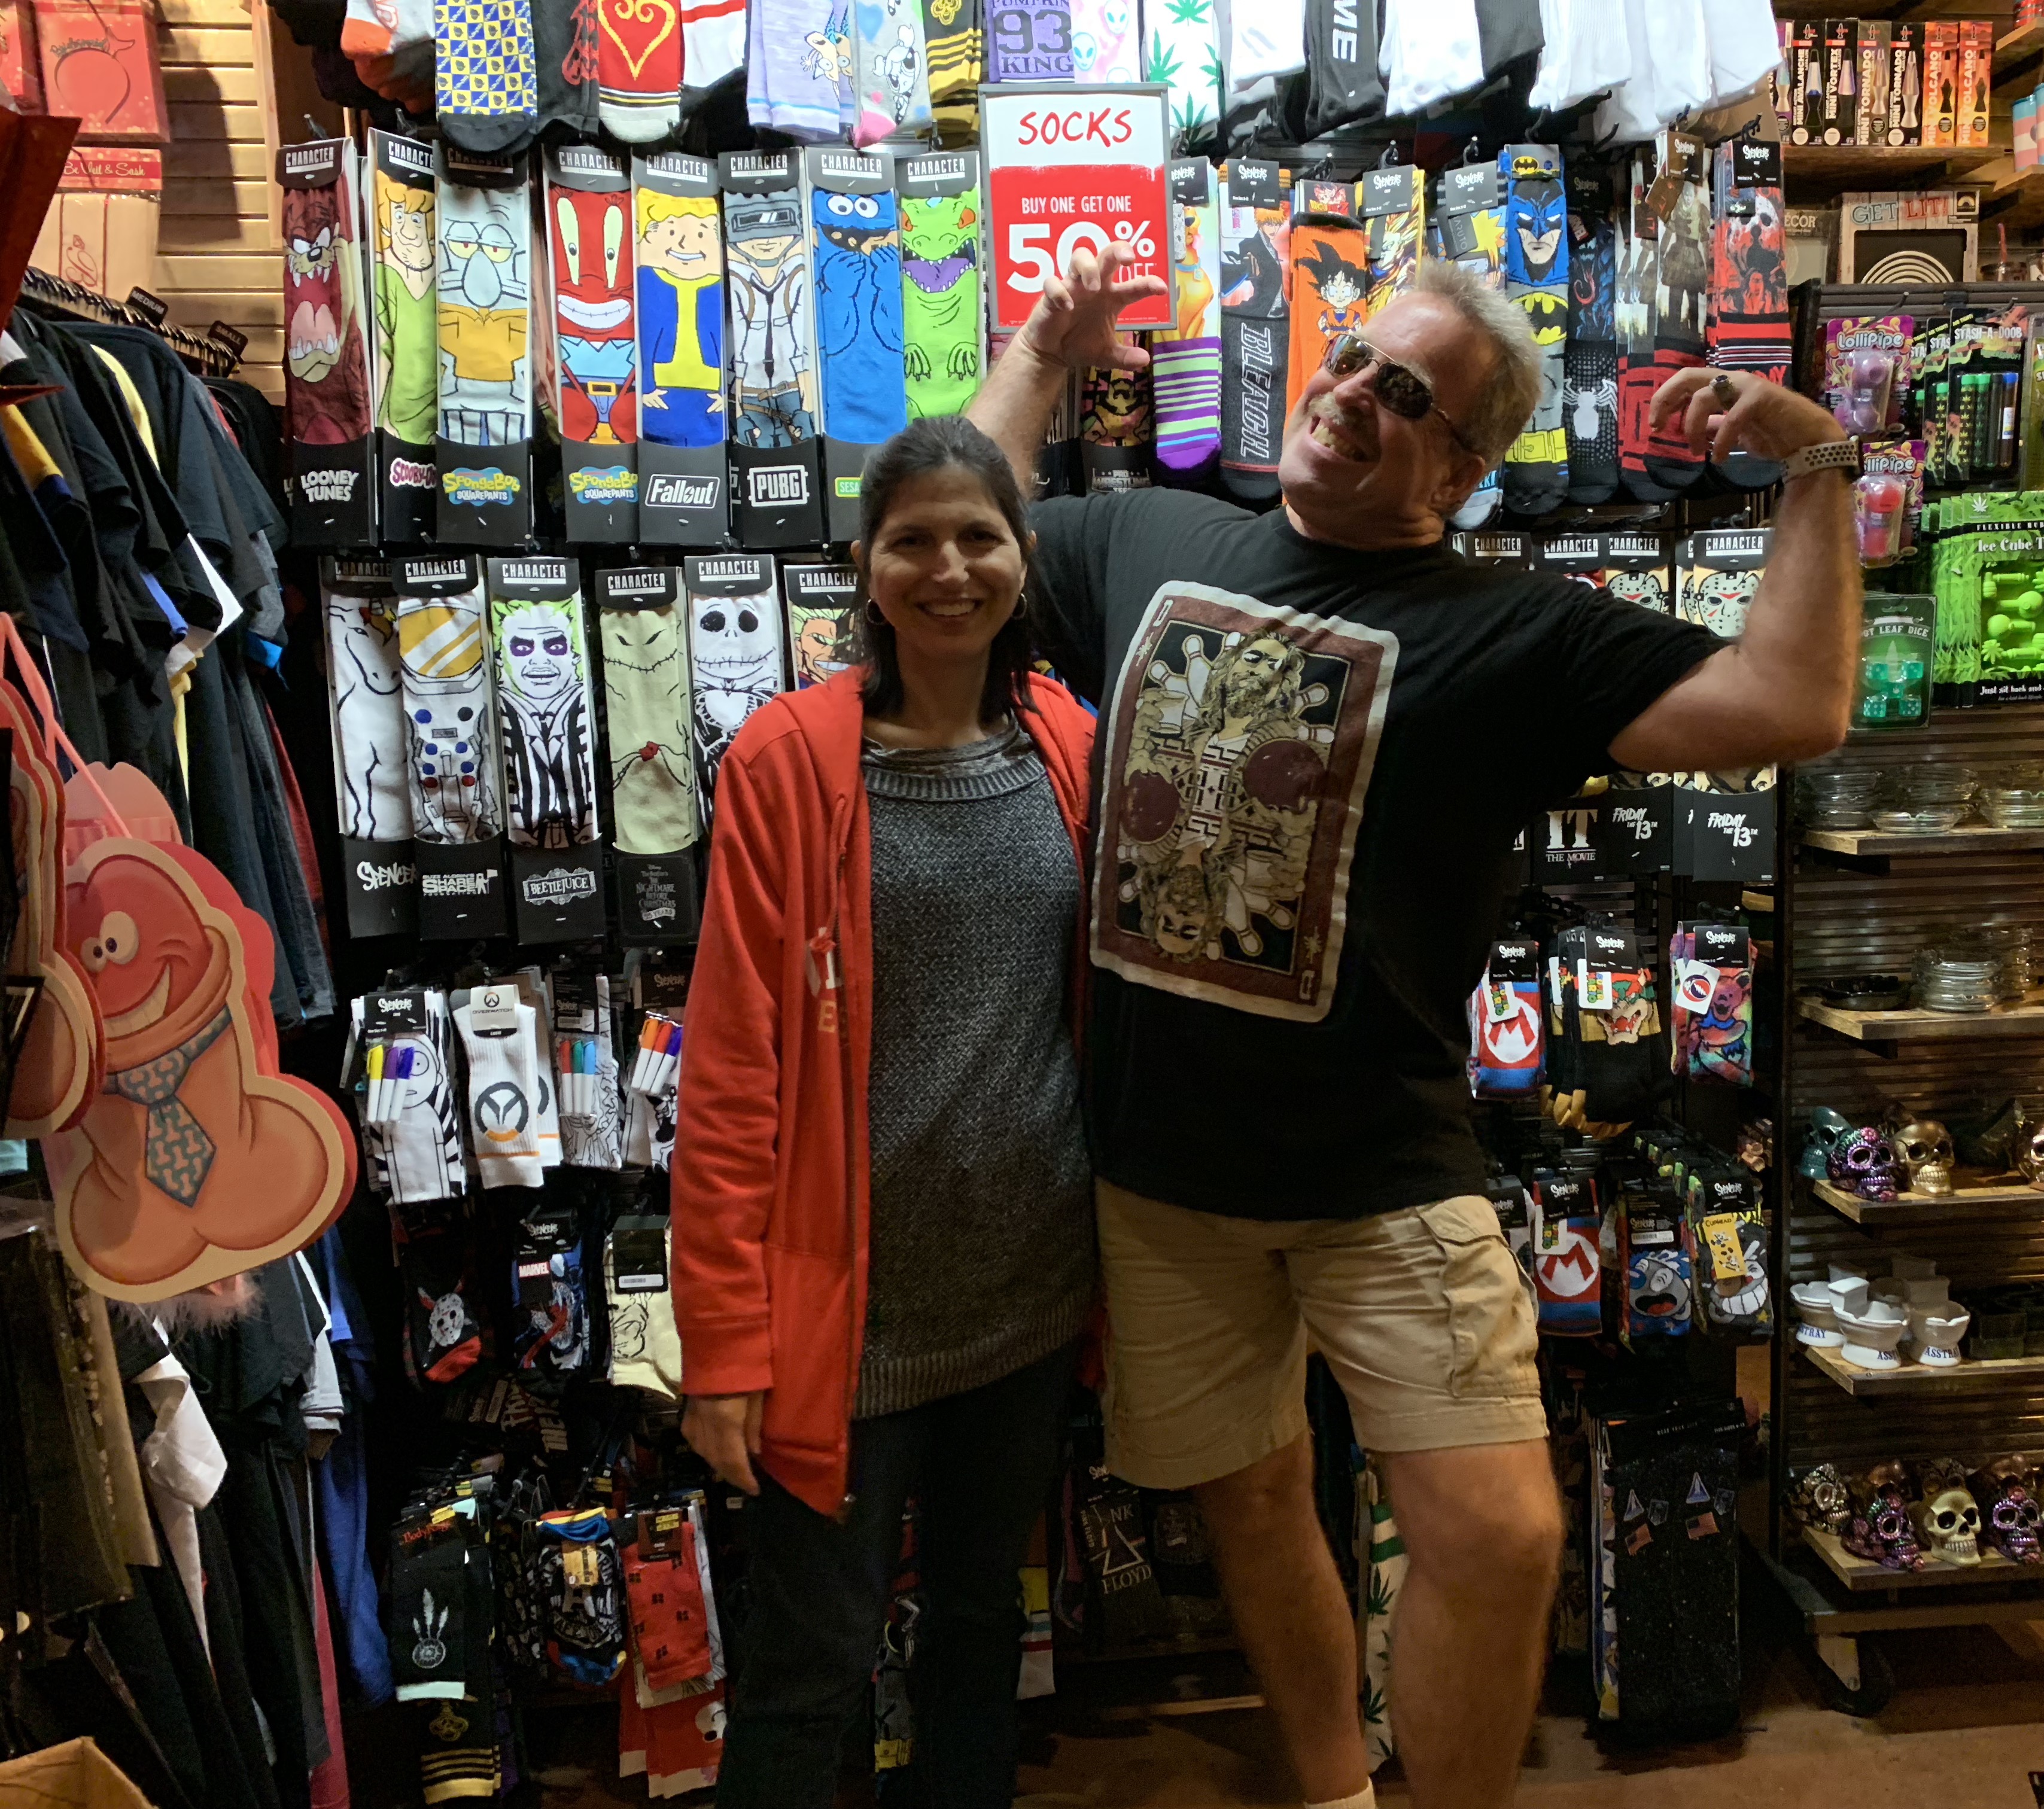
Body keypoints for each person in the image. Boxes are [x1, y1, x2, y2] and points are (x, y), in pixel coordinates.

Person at [964, 248, 1861, 1809]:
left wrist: (1820, 468)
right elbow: (960, 533)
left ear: (1458, 467)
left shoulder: (1516, 630)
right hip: (1163, 1176)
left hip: (1385, 1174)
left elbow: (1793, 705)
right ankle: (1335, 1795)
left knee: (1500, 1537)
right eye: (1353, 359)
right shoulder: (1149, 536)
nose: (1352, 394)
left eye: (1405, 393)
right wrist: (1043, 354)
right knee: (1255, 1502)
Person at [670, 415, 1097, 1808]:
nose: (949, 569)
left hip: (1028, 1298)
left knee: (981, 1633)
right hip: (846, 1324)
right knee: (812, 1666)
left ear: (1022, 557)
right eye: (913, 541)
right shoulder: (789, 761)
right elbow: (730, 1072)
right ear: (865, 565)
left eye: (979, 536)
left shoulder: (1068, 743)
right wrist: (723, 1349)